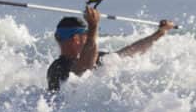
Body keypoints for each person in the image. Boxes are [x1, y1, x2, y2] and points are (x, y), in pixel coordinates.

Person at [47, 6, 175, 91]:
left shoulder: (94, 58)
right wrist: (93, 26)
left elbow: (130, 52)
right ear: (76, 38)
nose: (90, 37)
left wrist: (159, 33)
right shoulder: (57, 68)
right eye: (87, 35)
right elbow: (83, 69)